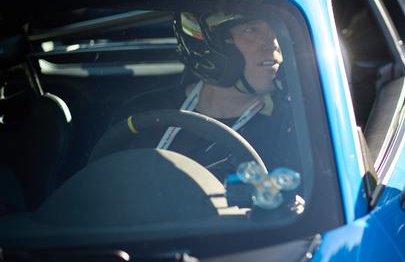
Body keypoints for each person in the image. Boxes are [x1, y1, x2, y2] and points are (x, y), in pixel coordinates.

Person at [110, 11, 299, 181]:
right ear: (211, 43)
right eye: (251, 30)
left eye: (275, 30)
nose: (272, 44)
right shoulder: (142, 115)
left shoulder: (293, 127)